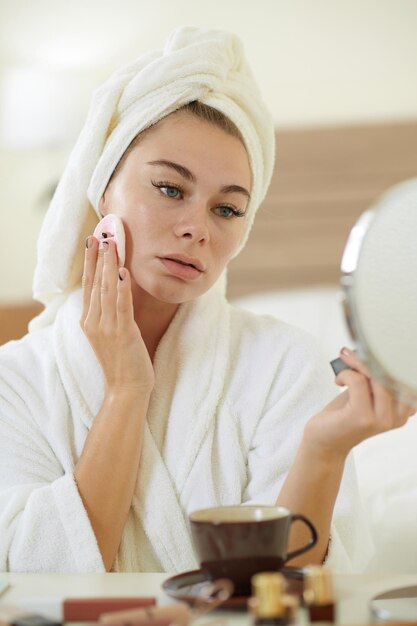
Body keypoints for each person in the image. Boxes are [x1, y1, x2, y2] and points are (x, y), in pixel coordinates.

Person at [0, 26, 413, 574]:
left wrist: (323, 449)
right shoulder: (16, 381)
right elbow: (32, 575)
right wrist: (126, 389)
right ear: (102, 190)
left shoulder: (284, 362)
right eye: (170, 189)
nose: (198, 228)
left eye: (227, 209)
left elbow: (286, 592)